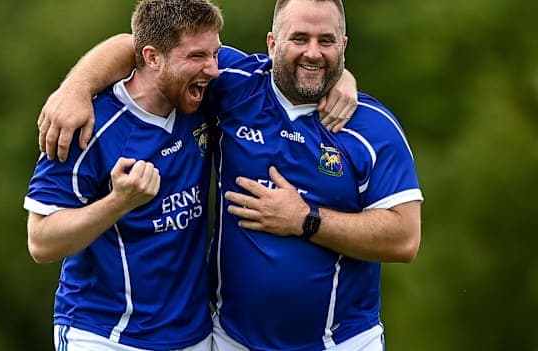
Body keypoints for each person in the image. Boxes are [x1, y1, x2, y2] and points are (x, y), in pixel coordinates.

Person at [37, 0, 423, 350]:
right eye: (299, 38)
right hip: (227, 339)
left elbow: (405, 239)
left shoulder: (372, 128)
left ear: (344, 45)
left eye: (326, 41)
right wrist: (76, 87)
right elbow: (136, 46)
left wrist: (306, 220)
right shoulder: (231, 85)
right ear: (272, 44)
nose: (312, 51)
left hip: (342, 342)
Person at [23, 1, 224, 350]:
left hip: (192, 335)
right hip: (104, 334)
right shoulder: (87, 124)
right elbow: (41, 241)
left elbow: (283, 72)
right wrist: (118, 203)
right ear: (152, 57)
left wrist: (340, 75)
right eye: (196, 57)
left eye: (215, 54)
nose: (214, 69)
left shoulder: (202, 95)